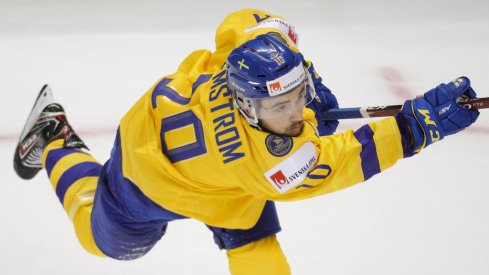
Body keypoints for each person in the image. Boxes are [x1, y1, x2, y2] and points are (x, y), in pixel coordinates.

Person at [13, 8, 479, 275]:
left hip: (209, 170)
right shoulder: (272, 166)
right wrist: (418, 126)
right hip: (150, 172)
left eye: (298, 95)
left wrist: (299, 67)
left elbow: (252, 21)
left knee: (259, 254)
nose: (296, 113)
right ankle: (56, 137)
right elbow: (349, 158)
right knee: (108, 245)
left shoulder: (241, 63)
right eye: (280, 108)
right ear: (248, 106)